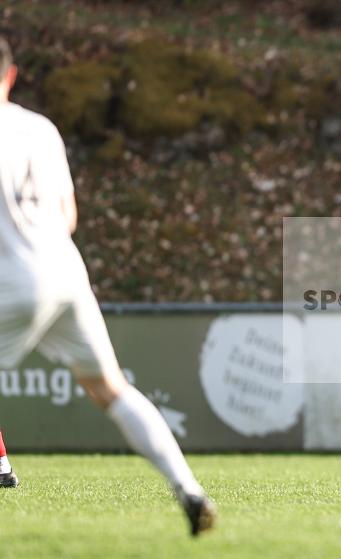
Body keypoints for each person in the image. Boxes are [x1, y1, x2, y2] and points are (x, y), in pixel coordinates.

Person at [0, 37, 216, 534]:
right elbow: (67, 217)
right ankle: (189, 488)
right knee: (111, 388)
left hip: (10, 281)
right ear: (12, 76)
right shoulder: (41, 129)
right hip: (63, 271)